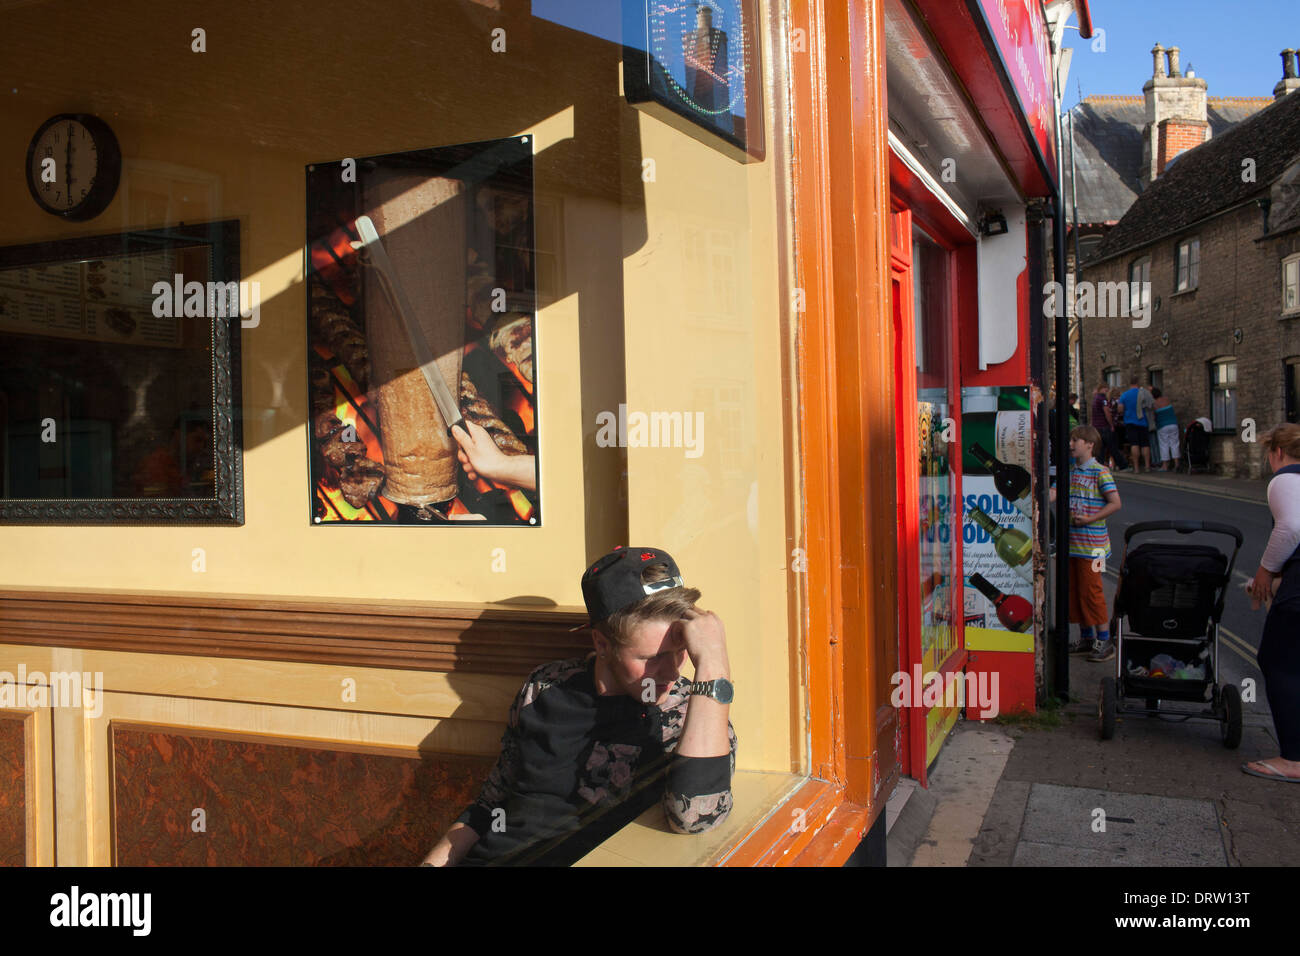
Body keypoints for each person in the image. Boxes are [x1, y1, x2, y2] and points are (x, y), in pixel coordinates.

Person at [421, 546, 737, 865]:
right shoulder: (545, 686)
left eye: (682, 651)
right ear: (602, 643)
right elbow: (491, 805)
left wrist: (713, 667)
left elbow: (695, 817)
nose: (671, 672)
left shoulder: (690, 710)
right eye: (651, 658)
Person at [1242, 424, 1300, 782]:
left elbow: (1292, 528)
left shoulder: (1285, 479)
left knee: (1279, 662)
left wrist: (1266, 573)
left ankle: (1293, 759)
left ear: (1276, 451)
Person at [1050, 425, 1122, 661]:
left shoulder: (1100, 472)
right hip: (1072, 545)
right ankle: (1087, 637)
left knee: (1092, 592)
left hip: (1095, 548)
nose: (1070, 444)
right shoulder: (1070, 472)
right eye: (1070, 440)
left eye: (1076, 440)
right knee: (1075, 592)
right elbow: (1052, 494)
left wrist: (1090, 518)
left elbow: (1115, 503)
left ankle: (1104, 640)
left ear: (1090, 445)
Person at [1118, 375, 1152, 473]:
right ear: (1138, 383)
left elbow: (1120, 409)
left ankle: (1136, 468)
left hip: (1130, 422)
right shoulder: (1144, 393)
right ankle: (1147, 466)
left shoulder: (1124, 395)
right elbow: (1150, 406)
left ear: (1130, 383)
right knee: (1145, 444)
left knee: (1134, 444)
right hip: (1143, 422)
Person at [1152, 388, 1180, 472]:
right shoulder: (1167, 400)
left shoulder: (1154, 404)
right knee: (1175, 444)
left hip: (1162, 426)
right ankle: (1177, 463)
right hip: (1173, 424)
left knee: (1164, 445)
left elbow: (1153, 416)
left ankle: (1165, 465)